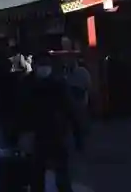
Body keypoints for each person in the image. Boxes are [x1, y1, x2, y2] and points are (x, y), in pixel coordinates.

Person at [17, 53, 82, 192]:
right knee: (42, 173)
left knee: (47, 172)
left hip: (52, 132)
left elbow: (70, 108)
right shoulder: (33, 84)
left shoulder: (36, 84)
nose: (44, 68)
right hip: (45, 133)